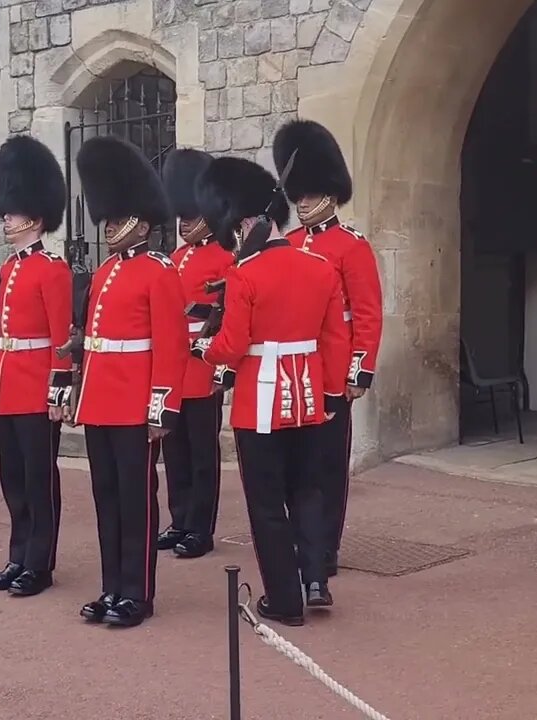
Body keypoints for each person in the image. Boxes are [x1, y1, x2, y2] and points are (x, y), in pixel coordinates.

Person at [191, 155, 350, 626]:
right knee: (307, 490)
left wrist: (204, 348)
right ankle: (314, 577)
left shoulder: (246, 273)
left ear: (243, 224)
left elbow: (233, 345)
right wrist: (330, 394)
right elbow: (335, 340)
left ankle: (284, 601)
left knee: (266, 502)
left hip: (260, 400)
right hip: (308, 396)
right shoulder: (321, 267)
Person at [70, 135, 187, 628]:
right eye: (109, 219)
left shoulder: (159, 273)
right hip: (101, 402)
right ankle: (112, 586)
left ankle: (137, 592)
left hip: (137, 404)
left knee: (137, 501)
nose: (111, 226)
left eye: (117, 220)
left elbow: (171, 346)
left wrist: (161, 407)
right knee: (107, 497)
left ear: (139, 222)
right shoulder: (103, 273)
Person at [273, 119, 384, 578]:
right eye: (296, 195)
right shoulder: (289, 244)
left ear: (331, 195)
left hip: (333, 371)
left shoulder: (351, 246)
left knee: (327, 466)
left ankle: (325, 548)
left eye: (308, 194)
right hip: (292, 370)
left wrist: (360, 370)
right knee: (293, 465)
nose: (301, 203)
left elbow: (367, 313)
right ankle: (301, 539)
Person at [0, 135, 72, 598]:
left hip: (36, 386)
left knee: (39, 476)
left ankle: (40, 561)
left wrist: (58, 388)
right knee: (12, 477)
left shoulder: (53, 269)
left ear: (33, 217)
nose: (5, 218)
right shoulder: (10, 270)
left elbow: (60, 338)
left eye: (11, 213)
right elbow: (0, 331)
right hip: (11, 383)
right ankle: (18, 555)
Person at [155, 148, 235, 560]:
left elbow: (228, 317)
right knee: (176, 450)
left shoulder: (225, 256)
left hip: (204, 367)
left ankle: (201, 528)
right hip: (174, 369)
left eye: (190, 214)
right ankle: (180, 519)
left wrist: (221, 367)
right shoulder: (175, 258)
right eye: (181, 215)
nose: (183, 222)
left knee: (203, 453)